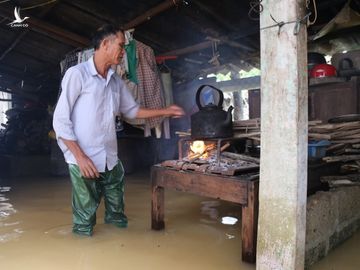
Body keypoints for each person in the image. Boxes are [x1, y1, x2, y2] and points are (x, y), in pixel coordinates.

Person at [53, 24, 184, 236]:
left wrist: (166, 110)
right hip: (83, 161)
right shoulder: (77, 74)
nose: (124, 52)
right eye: (121, 46)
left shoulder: (115, 80)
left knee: (117, 215)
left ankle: (121, 248)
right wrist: (80, 157)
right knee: (85, 221)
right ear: (105, 44)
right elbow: (60, 121)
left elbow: (132, 111)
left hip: (110, 159)